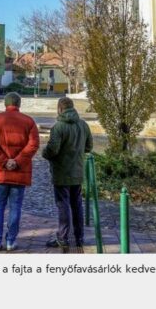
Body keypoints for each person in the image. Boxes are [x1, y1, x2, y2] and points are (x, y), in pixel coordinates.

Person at [0, 92, 39, 252]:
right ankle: (11, 241)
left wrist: (3, 161)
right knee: (15, 207)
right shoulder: (29, 121)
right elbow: (33, 144)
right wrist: (17, 161)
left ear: (4, 104)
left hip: (1, 171)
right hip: (19, 172)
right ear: (19, 104)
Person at [42, 97, 93, 253]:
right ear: (73, 108)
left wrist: (44, 153)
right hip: (77, 172)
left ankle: (63, 238)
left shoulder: (58, 127)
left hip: (61, 173)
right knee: (77, 205)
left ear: (59, 109)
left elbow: (53, 150)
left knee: (63, 205)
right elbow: (89, 147)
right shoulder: (83, 125)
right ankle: (79, 237)